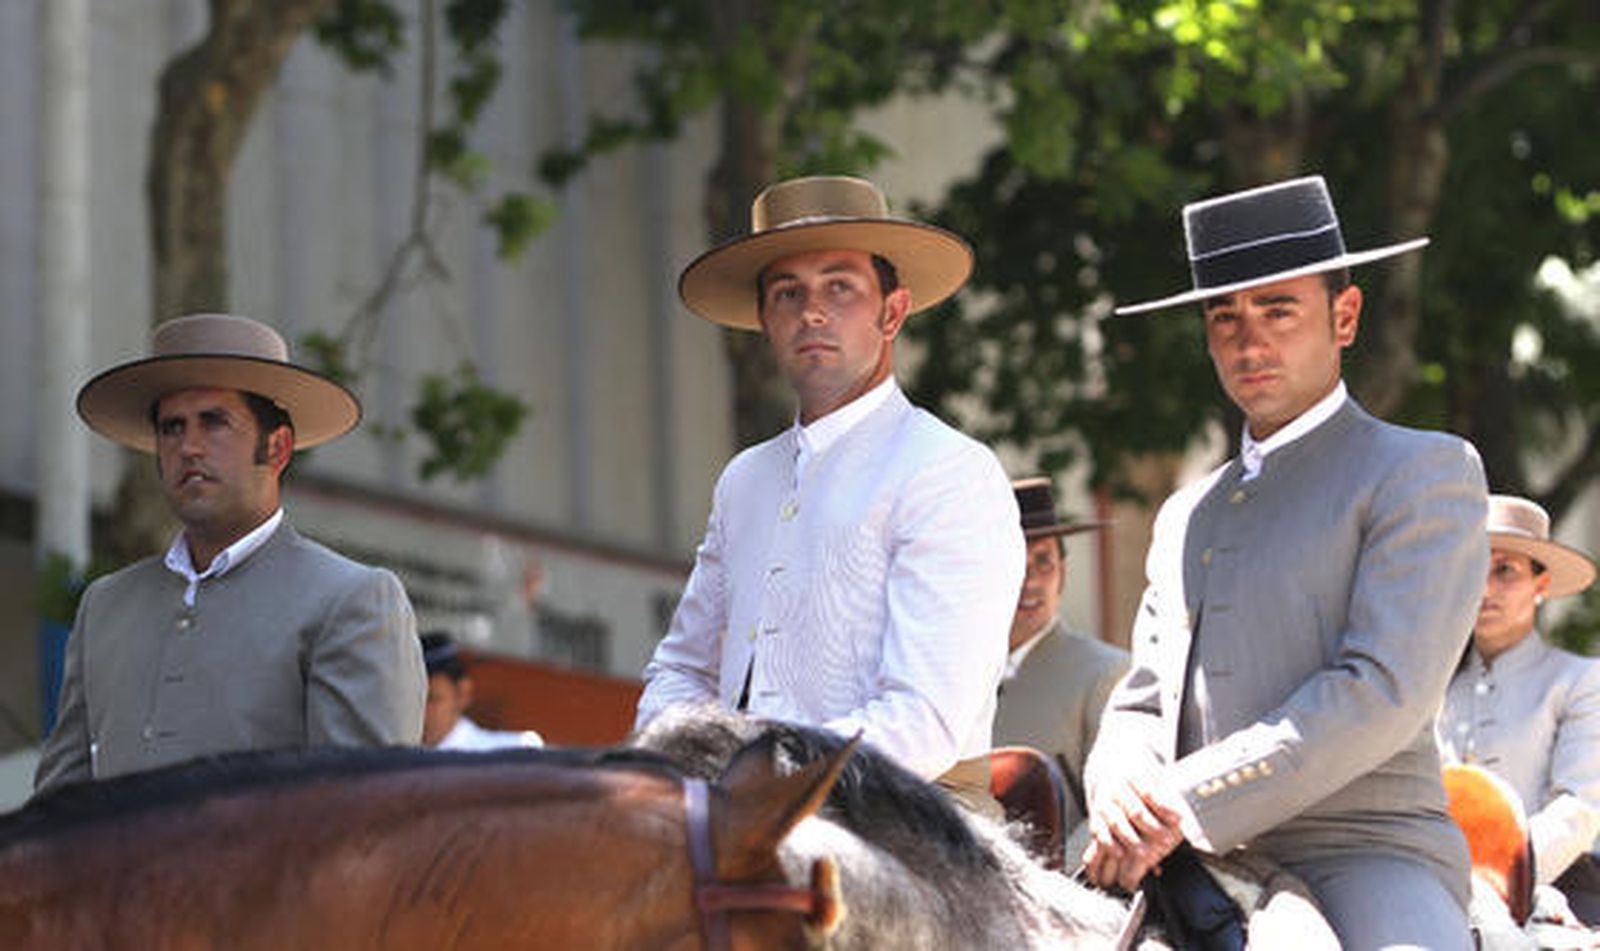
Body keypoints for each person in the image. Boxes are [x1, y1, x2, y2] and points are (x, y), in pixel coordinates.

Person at [1082, 176, 1489, 948]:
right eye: (1224, 315)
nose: (1248, 339)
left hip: (1363, 852)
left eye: (1277, 309)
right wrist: (1119, 790)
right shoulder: (1184, 513)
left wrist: (1179, 797)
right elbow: (1140, 702)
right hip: (1181, 849)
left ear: (1345, 315)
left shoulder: (1421, 471)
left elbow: (1383, 690)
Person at [634, 176, 1024, 810]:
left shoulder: (948, 470)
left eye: (839, 287)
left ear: (891, 312)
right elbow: (682, 669)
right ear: (764, 320)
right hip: (742, 825)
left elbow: (925, 719)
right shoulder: (744, 481)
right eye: (788, 293)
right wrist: (666, 761)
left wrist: (758, 778)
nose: (811, 311)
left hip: (908, 827)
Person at [35, 313, 425, 795]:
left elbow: (363, 816)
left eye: (214, 423)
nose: (189, 447)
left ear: (278, 448)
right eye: (172, 428)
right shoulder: (106, 606)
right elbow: (58, 811)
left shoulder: (351, 600)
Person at [1437, 494, 1600, 918]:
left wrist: (1502, 881)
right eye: (1475, 569)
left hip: (1559, 890)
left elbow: (1579, 809)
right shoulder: (1432, 694)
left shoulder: (1581, 681)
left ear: (1540, 586)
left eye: (1505, 570)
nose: (1486, 589)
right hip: (1442, 890)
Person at [993, 476, 1127, 860]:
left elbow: (1115, 802)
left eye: (1044, 561)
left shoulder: (1106, 674)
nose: (1030, 580)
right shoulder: (957, 675)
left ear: (1063, 572)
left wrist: (1055, 883)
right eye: (1014, 562)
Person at [421, 631, 544, 750]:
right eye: (409, 702)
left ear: (462, 693)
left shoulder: (511, 752)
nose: (421, 713)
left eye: (431, 699)